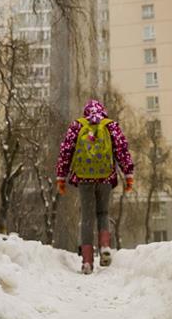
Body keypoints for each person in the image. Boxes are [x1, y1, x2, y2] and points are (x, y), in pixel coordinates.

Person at [55, 99, 135, 274]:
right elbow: (122, 150)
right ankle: (105, 246)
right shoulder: (110, 125)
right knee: (103, 213)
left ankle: (87, 262)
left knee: (87, 217)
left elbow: (66, 151)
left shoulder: (77, 126)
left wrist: (61, 176)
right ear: (103, 111)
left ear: (85, 112)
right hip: (105, 176)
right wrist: (128, 174)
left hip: (84, 178)